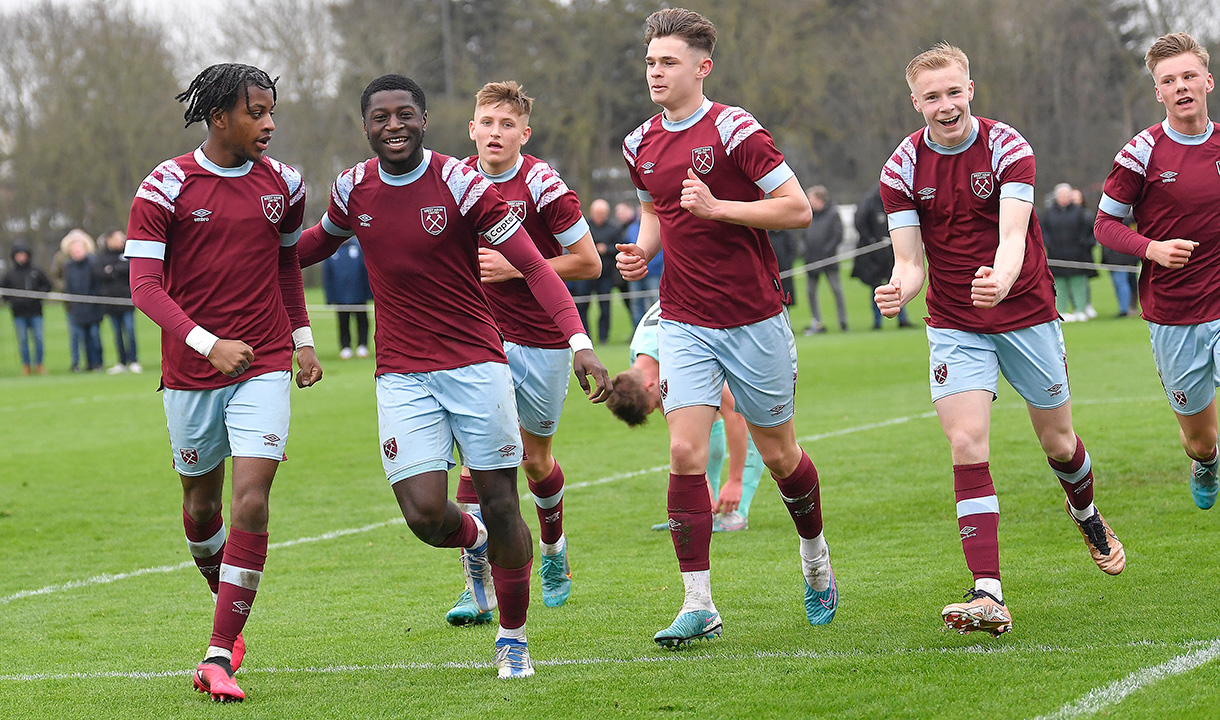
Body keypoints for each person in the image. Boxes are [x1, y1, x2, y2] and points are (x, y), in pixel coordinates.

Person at [296, 74, 611, 679]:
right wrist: (234, 247)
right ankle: (476, 547)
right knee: (422, 513)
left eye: (405, 114)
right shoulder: (352, 188)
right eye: (380, 116)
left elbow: (537, 269)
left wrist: (580, 343)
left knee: (501, 500)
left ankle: (513, 640)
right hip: (402, 375)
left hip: (476, 367)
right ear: (365, 125)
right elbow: (312, 245)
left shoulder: (461, 184)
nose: (393, 125)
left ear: (424, 119)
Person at [875, 43, 1125, 637]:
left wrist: (1001, 280)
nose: (946, 105)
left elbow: (1012, 237)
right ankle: (987, 590)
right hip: (956, 323)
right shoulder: (900, 168)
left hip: (1027, 311)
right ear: (916, 103)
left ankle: (1086, 514)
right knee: (965, 441)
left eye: (953, 92)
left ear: (970, 89)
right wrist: (898, 290)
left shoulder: (1008, 146)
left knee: (1059, 442)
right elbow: (909, 261)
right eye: (932, 97)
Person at [616, 7, 835, 648]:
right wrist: (640, 251)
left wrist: (719, 208)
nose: (656, 72)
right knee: (684, 450)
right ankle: (699, 603)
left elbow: (795, 208)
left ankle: (815, 558)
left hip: (754, 317)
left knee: (780, 453)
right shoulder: (639, 143)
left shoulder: (736, 129)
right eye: (651, 62)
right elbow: (656, 214)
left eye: (669, 62)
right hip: (683, 317)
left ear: (701, 67)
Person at [125, 63, 323, 703]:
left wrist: (301, 340)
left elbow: (287, 264)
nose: (269, 124)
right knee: (202, 507)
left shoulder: (286, 184)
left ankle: (217, 655)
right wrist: (207, 345)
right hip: (190, 371)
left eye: (272, 112)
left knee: (253, 497)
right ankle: (229, 604)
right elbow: (144, 289)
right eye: (256, 113)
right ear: (218, 119)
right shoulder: (165, 187)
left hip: (263, 360)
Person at [444, 79, 602, 625]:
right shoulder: (454, 180)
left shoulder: (544, 185)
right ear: (472, 128)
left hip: (542, 340)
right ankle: (476, 584)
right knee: (478, 460)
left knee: (534, 460)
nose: (495, 132)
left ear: (523, 134)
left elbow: (587, 262)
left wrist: (516, 266)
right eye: (487, 122)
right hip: (476, 340)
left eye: (507, 125)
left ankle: (554, 549)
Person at [1094, 32, 1220, 510]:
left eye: (1189, 76)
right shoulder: (1140, 153)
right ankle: (1206, 462)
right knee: (1200, 439)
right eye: (1170, 80)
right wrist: (1152, 249)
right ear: (1158, 92)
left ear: (1207, 81)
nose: (1181, 86)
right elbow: (1105, 225)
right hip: (1174, 315)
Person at [607, 301, 764, 533]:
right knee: (698, 420)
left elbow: (735, 416)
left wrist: (735, 481)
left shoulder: (679, 351)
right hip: (702, 322)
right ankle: (706, 510)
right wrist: (701, 485)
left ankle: (737, 513)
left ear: (651, 386)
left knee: (752, 412)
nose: (660, 409)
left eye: (655, 405)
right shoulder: (638, 367)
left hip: (743, 321)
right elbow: (680, 426)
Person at [852, 184, 911, 329]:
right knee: (877, 287)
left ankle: (902, 319)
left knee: (896, 284)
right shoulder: (870, 201)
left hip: (891, 252)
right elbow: (860, 222)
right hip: (873, 255)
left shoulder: (894, 197)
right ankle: (877, 321)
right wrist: (872, 239)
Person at [1040, 183, 1096, 322]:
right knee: (1060, 285)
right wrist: (1049, 244)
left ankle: (1080, 310)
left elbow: (1089, 231)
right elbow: (1043, 231)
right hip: (1056, 255)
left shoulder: (1080, 212)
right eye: (1061, 195)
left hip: (1077, 255)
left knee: (1079, 283)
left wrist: (1083, 244)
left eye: (1066, 195)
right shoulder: (1048, 213)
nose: (1063, 198)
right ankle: (1062, 311)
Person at [572, 198, 623, 343]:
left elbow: (621, 246)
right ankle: (585, 337)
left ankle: (603, 337)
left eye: (602, 213)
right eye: (596, 213)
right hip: (585, 275)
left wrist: (606, 249)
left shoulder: (614, 228)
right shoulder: (583, 226)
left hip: (605, 276)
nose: (599, 216)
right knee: (582, 306)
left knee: (605, 307)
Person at [801, 185, 848, 334]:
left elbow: (837, 235)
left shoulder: (833, 213)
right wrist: (805, 252)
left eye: (811, 199)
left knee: (836, 290)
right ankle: (817, 322)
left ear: (820, 199)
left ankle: (843, 322)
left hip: (829, 261)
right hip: (811, 261)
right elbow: (803, 236)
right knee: (810, 292)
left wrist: (826, 252)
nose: (809, 202)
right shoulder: (808, 213)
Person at [1, 240, 52, 374]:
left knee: (38, 339)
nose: (21, 257)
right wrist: (14, 300)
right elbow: (4, 292)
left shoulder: (36, 270)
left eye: (23, 254)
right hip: (19, 313)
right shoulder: (10, 273)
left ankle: (39, 364)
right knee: (23, 341)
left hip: (36, 311)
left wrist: (37, 296)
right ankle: (26, 365)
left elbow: (47, 286)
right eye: (18, 255)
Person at [95, 229, 142, 373]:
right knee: (117, 334)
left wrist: (113, 270)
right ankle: (121, 362)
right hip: (111, 302)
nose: (122, 240)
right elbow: (99, 273)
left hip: (127, 301)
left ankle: (134, 361)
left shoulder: (128, 253)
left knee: (130, 331)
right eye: (118, 238)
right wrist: (114, 271)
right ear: (109, 240)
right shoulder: (102, 256)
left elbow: (130, 269)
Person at [321, 237, 372, 359]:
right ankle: (346, 347)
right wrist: (330, 297)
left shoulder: (359, 247)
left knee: (362, 320)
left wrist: (369, 293)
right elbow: (328, 276)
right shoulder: (331, 250)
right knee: (343, 321)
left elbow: (366, 271)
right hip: (340, 295)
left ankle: (362, 345)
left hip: (359, 294)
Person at [62, 230, 104, 372]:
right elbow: (67, 287)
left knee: (94, 336)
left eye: (79, 248)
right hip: (77, 308)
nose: (76, 251)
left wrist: (93, 301)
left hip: (93, 307)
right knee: (82, 338)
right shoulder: (68, 266)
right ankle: (88, 364)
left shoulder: (93, 263)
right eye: (74, 249)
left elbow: (97, 284)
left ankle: (98, 363)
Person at [768, 228, 799, 306]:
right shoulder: (768, 235)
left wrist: (787, 263)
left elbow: (793, 250)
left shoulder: (786, 234)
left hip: (785, 271)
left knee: (786, 296)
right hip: (772, 273)